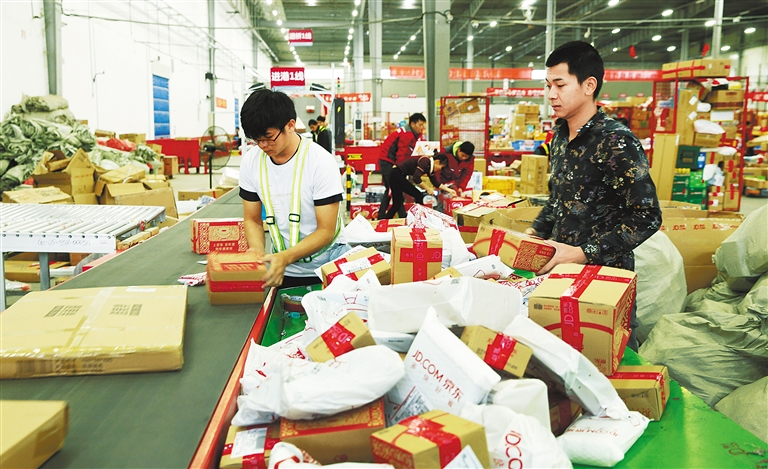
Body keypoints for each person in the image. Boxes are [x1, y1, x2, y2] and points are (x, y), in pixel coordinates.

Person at [525, 41, 661, 351]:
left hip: (605, 285)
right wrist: (534, 232)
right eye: (547, 85)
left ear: (589, 86)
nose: (551, 94)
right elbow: (559, 200)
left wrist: (582, 252)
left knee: (611, 365)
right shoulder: (559, 137)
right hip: (561, 278)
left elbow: (647, 216)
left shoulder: (616, 141)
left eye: (560, 85)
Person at [239, 89, 347, 288]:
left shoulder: (320, 162)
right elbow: (252, 219)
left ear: (290, 125)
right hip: (281, 269)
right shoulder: (251, 162)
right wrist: (257, 251)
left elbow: (326, 230)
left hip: (327, 268)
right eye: (256, 139)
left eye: (268, 137)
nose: (262, 145)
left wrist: (285, 257)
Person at [377, 113, 427, 219]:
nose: (422, 128)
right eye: (420, 125)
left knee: (394, 189)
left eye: (423, 125)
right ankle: (386, 216)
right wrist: (401, 169)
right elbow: (401, 153)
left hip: (390, 162)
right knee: (393, 189)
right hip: (389, 162)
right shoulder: (407, 134)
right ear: (412, 124)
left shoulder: (410, 133)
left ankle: (394, 216)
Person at [382, 153, 454, 219]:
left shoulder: (429, 166)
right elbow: (416, 178)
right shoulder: (425, 161)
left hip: (397, 175)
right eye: (441, 167)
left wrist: (449, 190)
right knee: (418, 196)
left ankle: (386, 220)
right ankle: (419, 219)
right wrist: (428, 188)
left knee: (397, 204)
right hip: (396, 175)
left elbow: (436, 183)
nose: (440, 170)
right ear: (437, 162)